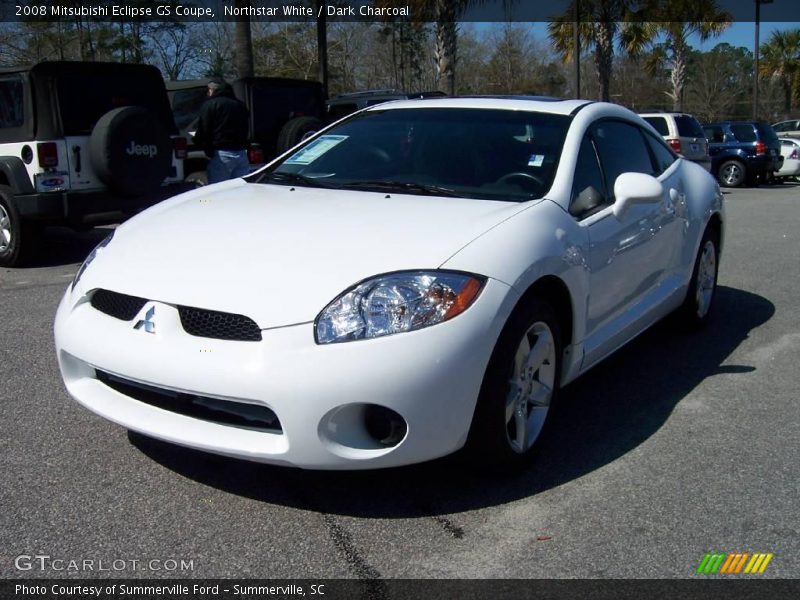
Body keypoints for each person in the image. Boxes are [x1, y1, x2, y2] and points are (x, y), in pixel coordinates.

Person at [193, 79, 250, 184]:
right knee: (240, 190)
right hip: (241, 153)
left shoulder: (210, 104)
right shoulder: (241, 105)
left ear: (214, 90)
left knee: (218, 190)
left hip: (221, 154)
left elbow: (204, 128)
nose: (208, 92)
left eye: (209, 90)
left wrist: (200, 142)